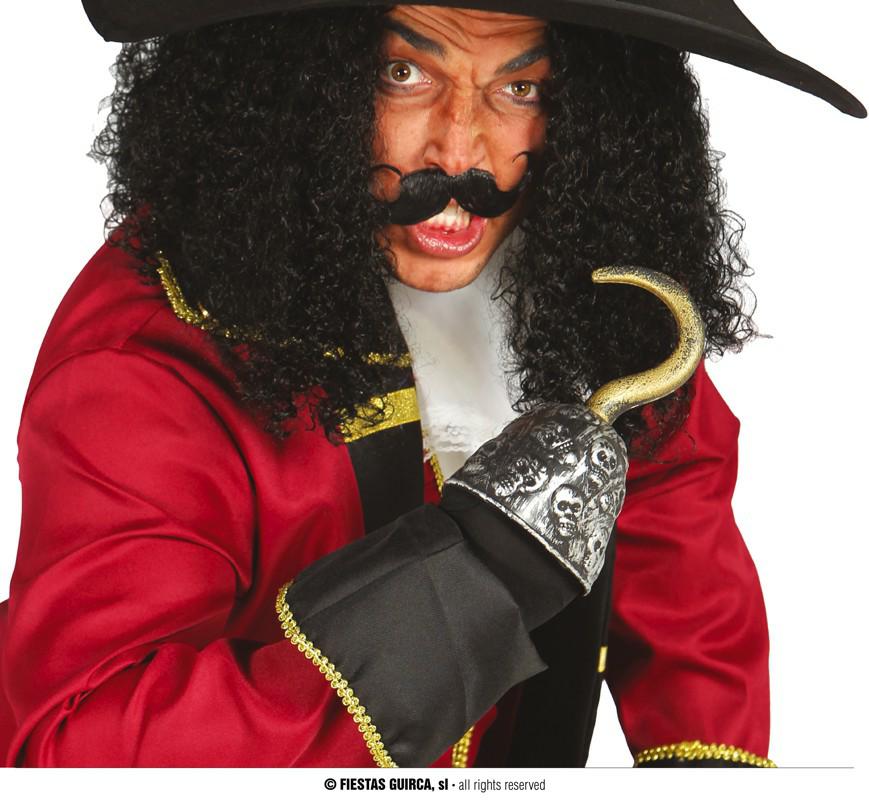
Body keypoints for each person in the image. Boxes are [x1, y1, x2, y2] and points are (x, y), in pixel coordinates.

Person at [0, 1, 863, 768]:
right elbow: (82, 748)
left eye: (519, 88)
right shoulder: (146, 359)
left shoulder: (583, 293)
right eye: (403, 74)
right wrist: (468, 579)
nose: (460, 150)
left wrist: (703, 770)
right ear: (289, 83)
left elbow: (679, 550)